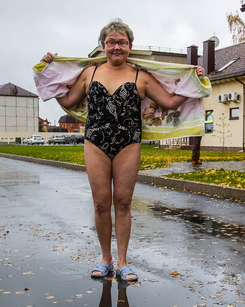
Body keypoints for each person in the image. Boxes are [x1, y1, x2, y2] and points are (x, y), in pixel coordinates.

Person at [41, 19, 205, 281]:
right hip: (95, 142)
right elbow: (68, 99)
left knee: (124, 202)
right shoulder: (89, 73)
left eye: (122, 42)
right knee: (100, 203)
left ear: (130, 45)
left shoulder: (141, 76)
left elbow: (171, 102)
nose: (116, 46)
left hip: (129, 144)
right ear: (103, 45)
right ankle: (105, 259)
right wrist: (50, 72)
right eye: (111, 42)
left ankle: (122, 262)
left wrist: (194, 81)